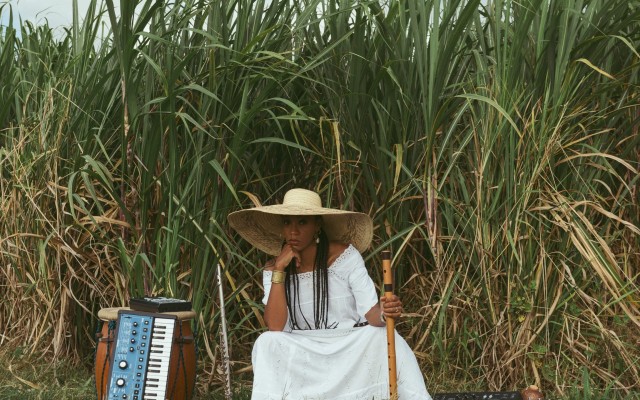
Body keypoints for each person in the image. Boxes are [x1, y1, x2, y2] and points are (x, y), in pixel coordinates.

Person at [228, 188, 432, 400]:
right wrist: (280, 268)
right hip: (303, 350)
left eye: (302, 222)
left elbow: (371, 313)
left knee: (379, 335)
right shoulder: (275, 269)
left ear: (318, 225)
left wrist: (385, 311)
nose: (293, 231)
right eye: (287, 222)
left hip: (348, 346)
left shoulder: (344, 256)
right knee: (266, 342)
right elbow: (275, 326)